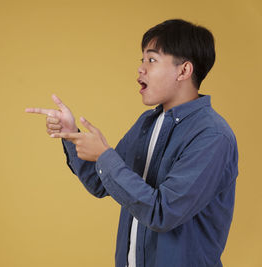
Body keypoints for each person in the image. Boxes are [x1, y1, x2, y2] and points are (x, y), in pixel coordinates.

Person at [25, 19, 238, 267]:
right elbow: (100, 181)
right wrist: (71, 134)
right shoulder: (148, 122)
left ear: (183, 71)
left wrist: (104, 156)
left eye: (151, 60)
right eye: (142, 60)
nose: (140, 69)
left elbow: (163, 213)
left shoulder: (212, 136)